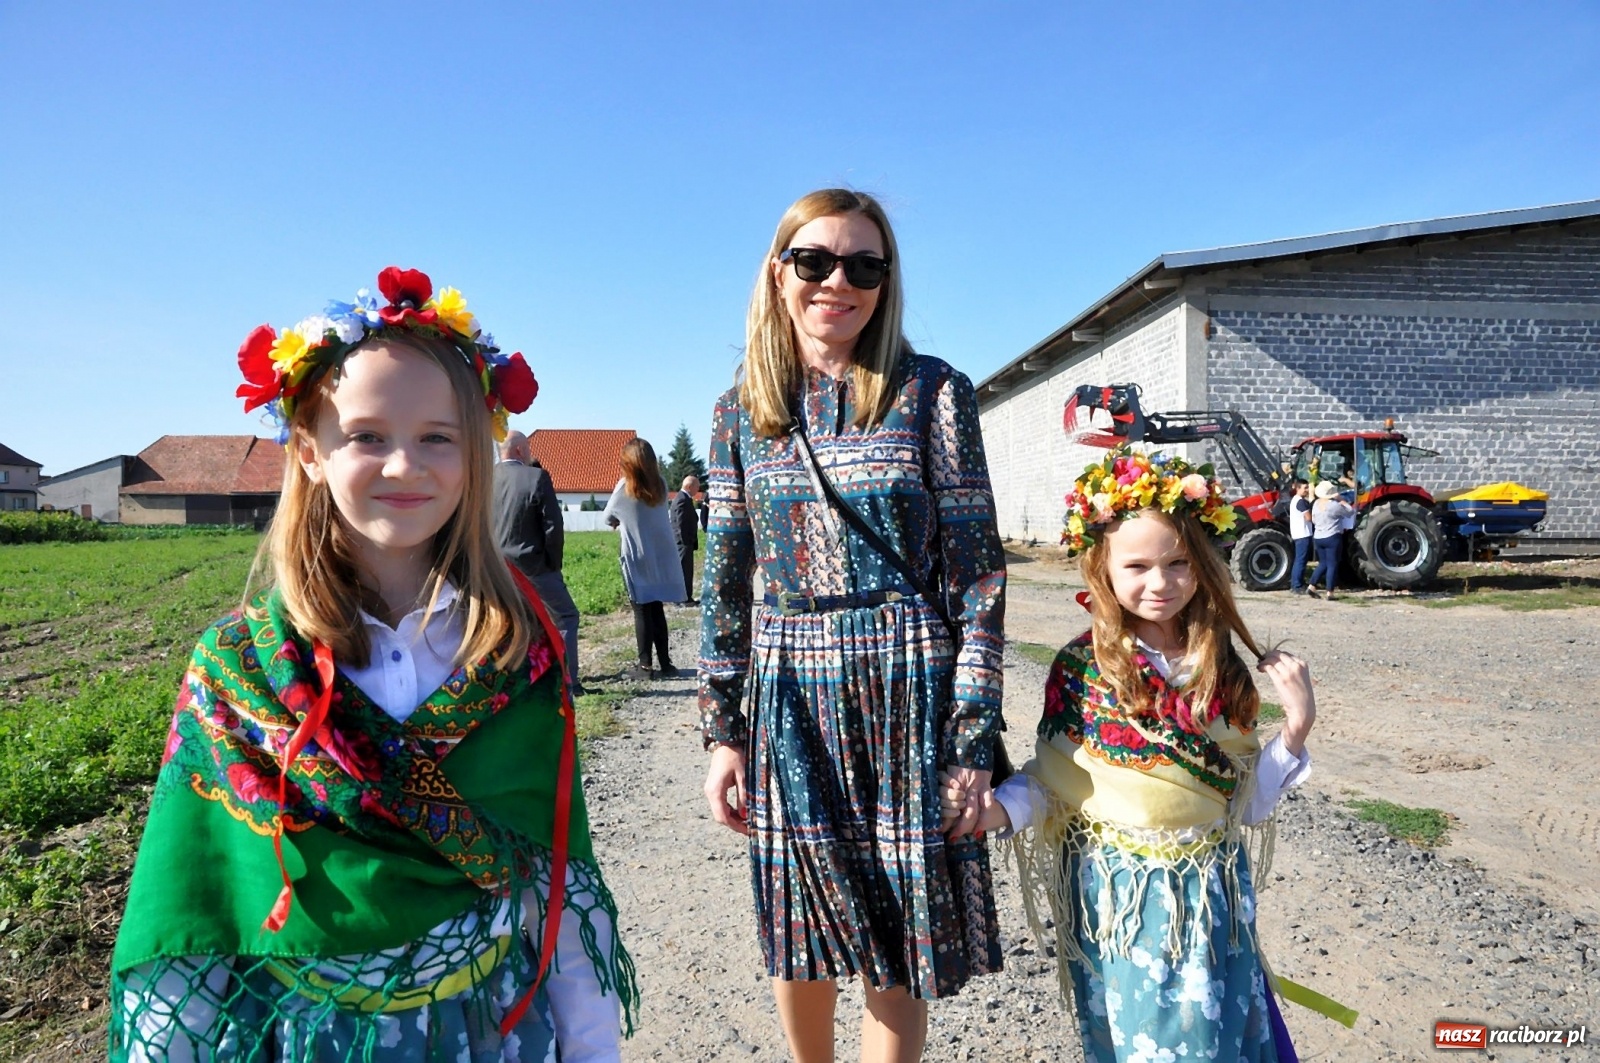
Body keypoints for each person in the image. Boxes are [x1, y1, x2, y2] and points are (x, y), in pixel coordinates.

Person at [109, 267, 637, 1062]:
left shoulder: (517, 657)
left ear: (475, 456)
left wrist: (593, 1050)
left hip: (494, 1032)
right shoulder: (238, 674)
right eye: (366, 436)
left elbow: (555, 886)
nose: (403, 465)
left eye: (437, 437)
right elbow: (192, 906)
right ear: (309, 451)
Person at [699, 188, 1007, 1063]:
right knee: (800, 913)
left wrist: (971, 740)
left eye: (865, 266)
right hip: (791, 687)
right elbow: (724, 582)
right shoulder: (739, 412)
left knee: (898, 927)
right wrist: (723, 732)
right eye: (816, 260)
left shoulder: (933, 392)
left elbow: (978, 576)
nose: (839, 281)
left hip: (908, 684)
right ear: (779, 272)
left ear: (885, 281)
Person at [945, 446, 1317, 1063]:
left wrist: (1296, 728)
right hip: (1122, 902)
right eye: (1138, 566)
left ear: (1202, 563)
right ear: (1102, 569)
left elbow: (1246, 806)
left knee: (1216, 1042)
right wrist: (994, 812)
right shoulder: (1082, 668)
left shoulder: (1219, 665)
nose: (1160, 583)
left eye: (1178, 563)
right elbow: (1055, 781)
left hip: (1210, 901)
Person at [494, 429, 585, 696]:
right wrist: (552, 565)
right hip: (533, 566)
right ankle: (568, 681)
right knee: (565, 617)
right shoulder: (536, 477)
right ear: (521, 450)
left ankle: (511, 685)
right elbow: (553, 526)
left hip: (495, 568)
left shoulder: (484, 480)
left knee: (509, 625)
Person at [603, 438, 685, 677]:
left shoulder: (624, 487)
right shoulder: (661, 484)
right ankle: (666, 664)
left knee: (641, 610)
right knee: (657, 608)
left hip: (636, 554)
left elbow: (607, 517)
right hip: (661, 554)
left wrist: (620, 520)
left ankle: (645, 666)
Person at [1311, 479, 1355, 599]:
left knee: (1323, 563)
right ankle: (1329, 592)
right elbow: (1350, 512)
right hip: (1332, 536)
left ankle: (1312, 585)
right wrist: (1341, 500)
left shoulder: (1316, 504)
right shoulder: (1334, 506)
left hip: (1318, 536)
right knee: (1332, 564)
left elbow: (1313, 520)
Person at [669, 474, 701, 606]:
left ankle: (686, 597)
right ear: (689, 486)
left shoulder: (685, 498)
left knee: (686, 571)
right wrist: (685, 542)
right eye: (697, 486)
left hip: (685, 543)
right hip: (683, 543)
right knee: (683, 571)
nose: (698, 489)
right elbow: (680, 524)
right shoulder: (682, 500)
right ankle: (681, 599)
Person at [1287, 478, 1314, 594]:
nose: (1307, 490)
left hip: (1298, 534)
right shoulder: (1301, 502)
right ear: (1298, 488)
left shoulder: (1295, 500)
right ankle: (1297, 586)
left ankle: (1297, 583)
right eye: (1305, 488)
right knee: (1301, 560)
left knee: (1299, 560)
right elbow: (1308, 517)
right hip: (1303, 534)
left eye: (1307, 487)